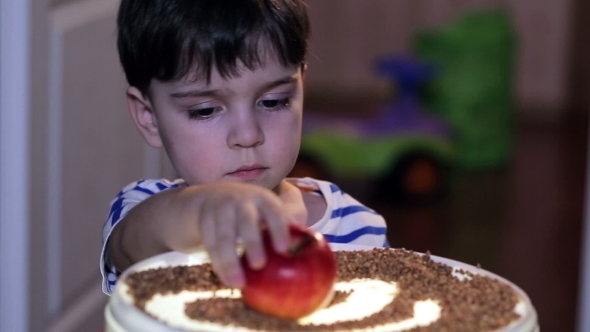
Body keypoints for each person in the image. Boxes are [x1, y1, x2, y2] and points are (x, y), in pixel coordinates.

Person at [101, 0, 388, 295]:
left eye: (273, 101)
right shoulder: (143, 209)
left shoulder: (358, 226)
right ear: (149, 118)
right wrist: (202, 209)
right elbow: (129, 244)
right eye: (204, 110)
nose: (248, 135)